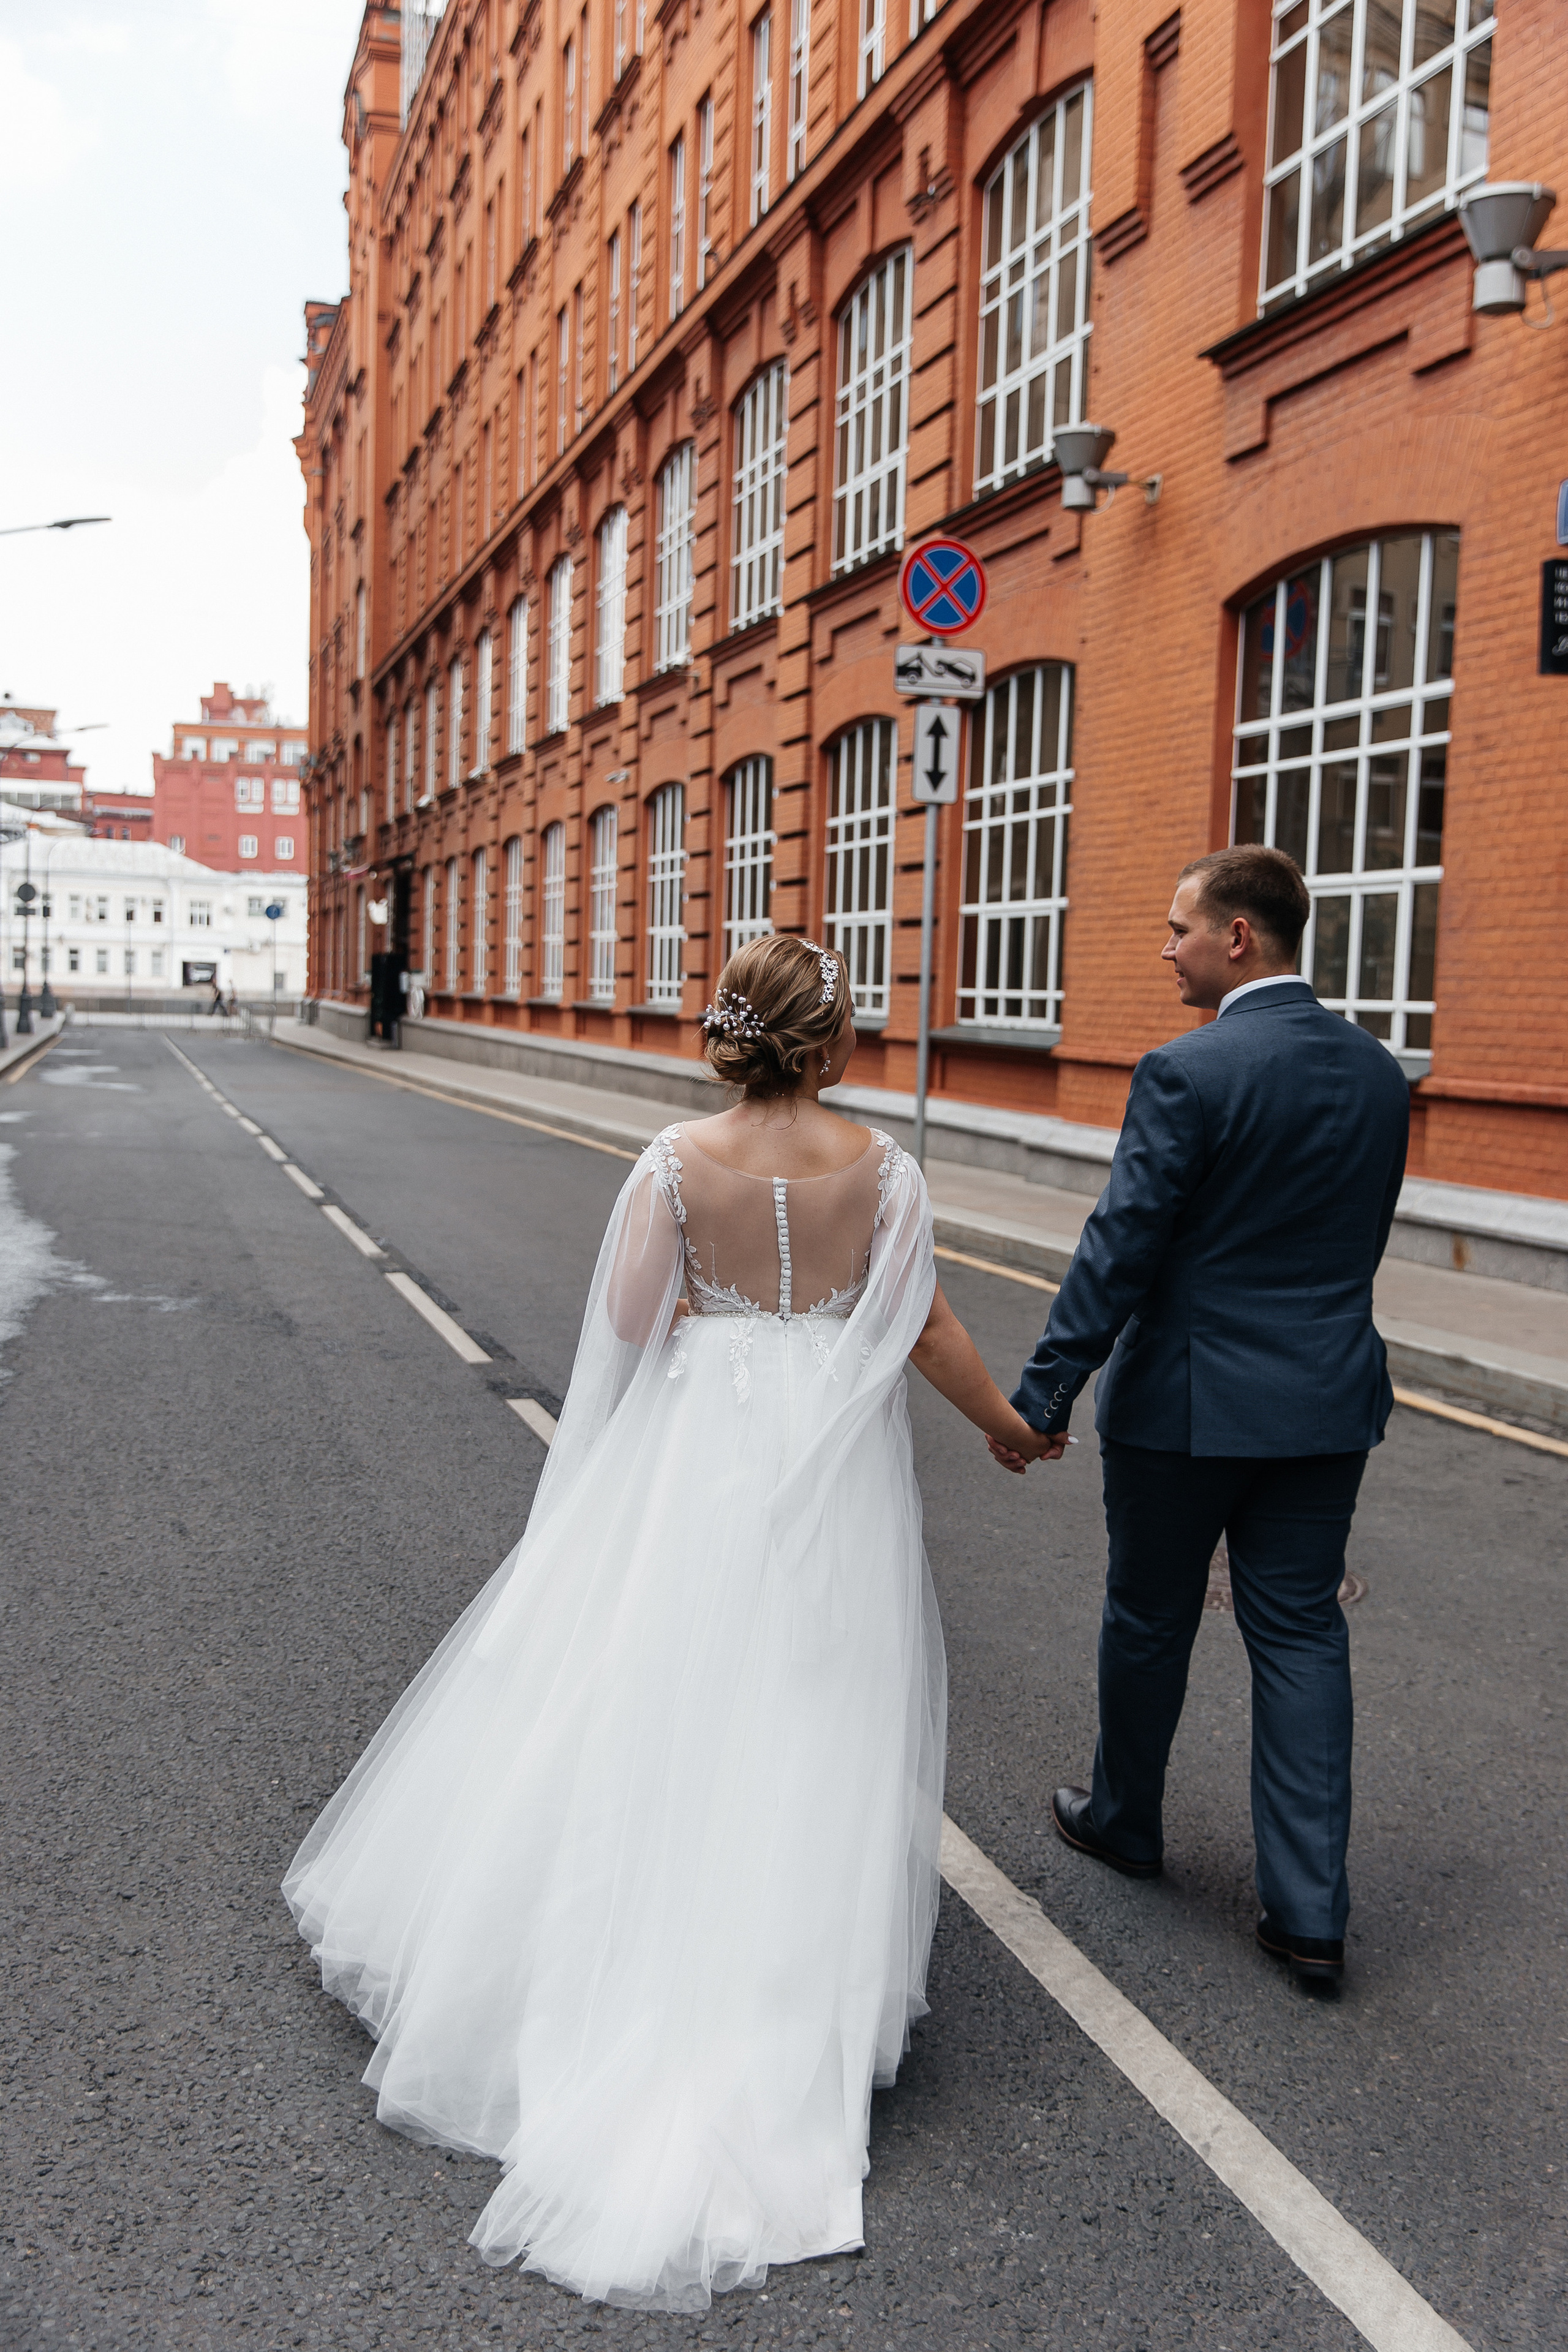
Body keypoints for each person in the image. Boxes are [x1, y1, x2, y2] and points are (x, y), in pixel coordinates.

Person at [285, 932, 1056, 2312]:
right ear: (829, 1044)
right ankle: (780, 1980)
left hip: (699, 1448)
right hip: (828, 1460)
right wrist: (1006, 1427)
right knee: (813, 1706)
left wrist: (698, 1325)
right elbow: (923, 1323)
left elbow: (630, 1327)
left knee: (649, 1686)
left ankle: (613, 1952)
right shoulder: (884, 1171)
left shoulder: (664, 1163)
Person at [993, 846, 1409, 1989]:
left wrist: (1043, 1397)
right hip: (1326, 1403)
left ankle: (1127, 1821)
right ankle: (1310, 1914)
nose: (1163, 946)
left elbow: (1120, 1248)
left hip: (1187, 1408)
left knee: (1149, 1617)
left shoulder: (1190, 1070)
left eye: (1177, 927)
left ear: (1237, 938)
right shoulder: (1381, 1075)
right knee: (1303, 1634)